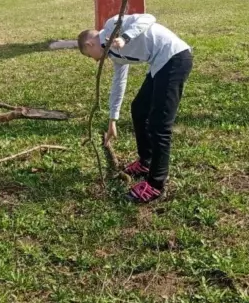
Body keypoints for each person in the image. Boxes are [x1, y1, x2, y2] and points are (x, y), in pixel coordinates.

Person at [78, 13, 192, 203]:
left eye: (91, 56)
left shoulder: (112, 25)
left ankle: (155, 185)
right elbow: (118, 83)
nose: (95, 61)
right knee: (138, 108)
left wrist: (124, 37)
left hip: (174, 58)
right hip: (159, 64)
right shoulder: (114, 55)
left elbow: (148, 18)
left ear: (90, 45)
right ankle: (145, 162)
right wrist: (112, 120)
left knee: (159, 125)